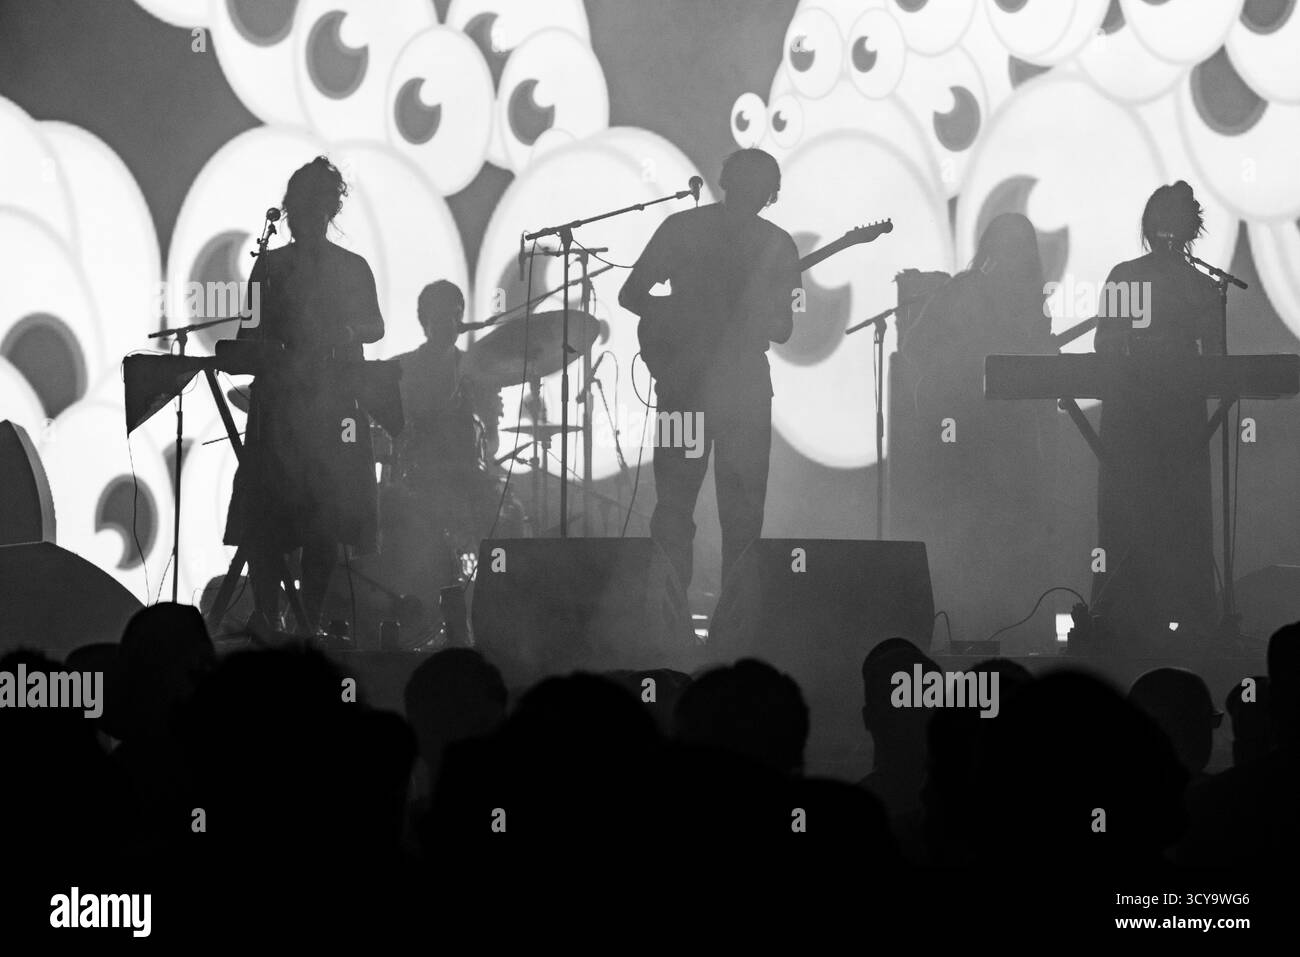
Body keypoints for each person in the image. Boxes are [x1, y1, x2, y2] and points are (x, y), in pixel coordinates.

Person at [618, 148, 799, 590]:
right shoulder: (688, 230)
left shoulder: (775, 245)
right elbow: (632, 293)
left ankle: (691, 621)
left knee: (709, 513)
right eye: (753, 185)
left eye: (762, 188)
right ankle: (692, 620)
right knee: (688, 510)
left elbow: (785, 326)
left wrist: (756, 311)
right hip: (699, 388)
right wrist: (683, 314)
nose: (756, 195)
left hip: (723, 391)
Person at [224, 156, 384, 632]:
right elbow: (246, 334)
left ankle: (307, 621)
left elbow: (376, 327)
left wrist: (340, 331)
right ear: (288, 210)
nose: (303, 215)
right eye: (298, 206)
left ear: (328, 210)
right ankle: (266, 615)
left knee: (325, 520)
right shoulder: (268, 266)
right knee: (264, 514)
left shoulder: (351, 268)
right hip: (278, 407)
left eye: (314, 205)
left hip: (332, 409)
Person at [1092, 181, 1221, 641]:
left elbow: (1217, 365)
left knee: (1153, 516)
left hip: (1157, 420)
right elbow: (1107, 345)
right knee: (1159, 515)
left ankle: (1131, 620)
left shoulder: (1199, 285)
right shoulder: (1179, 284)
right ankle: (1159, 620)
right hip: (1153, 418)